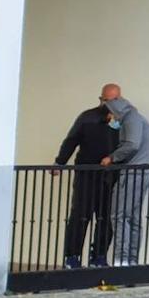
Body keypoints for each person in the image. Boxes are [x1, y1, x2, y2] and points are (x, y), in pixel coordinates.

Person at [51, 103, 118, 269]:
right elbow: (72, 140)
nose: (113, 103)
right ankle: (72, 257)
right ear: (101, 99)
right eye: (109, 99)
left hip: (110, 176)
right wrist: (60, 162)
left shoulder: (122, 119)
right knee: (80, 215)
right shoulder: (88, 117)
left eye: (116, 99)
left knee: (106, 217)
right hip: (86, 174)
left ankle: (99, 257)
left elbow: (128, 145)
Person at [99, 84, 149, 267]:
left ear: (109, 101)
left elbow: (131, 144)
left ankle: (121, 260)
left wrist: (111, 158)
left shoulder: (131, 118)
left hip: (133, 173)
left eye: (103, 101)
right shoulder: (133, 117)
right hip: (140, 172)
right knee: (132, 217)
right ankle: (130, 260)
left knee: (119, 216)